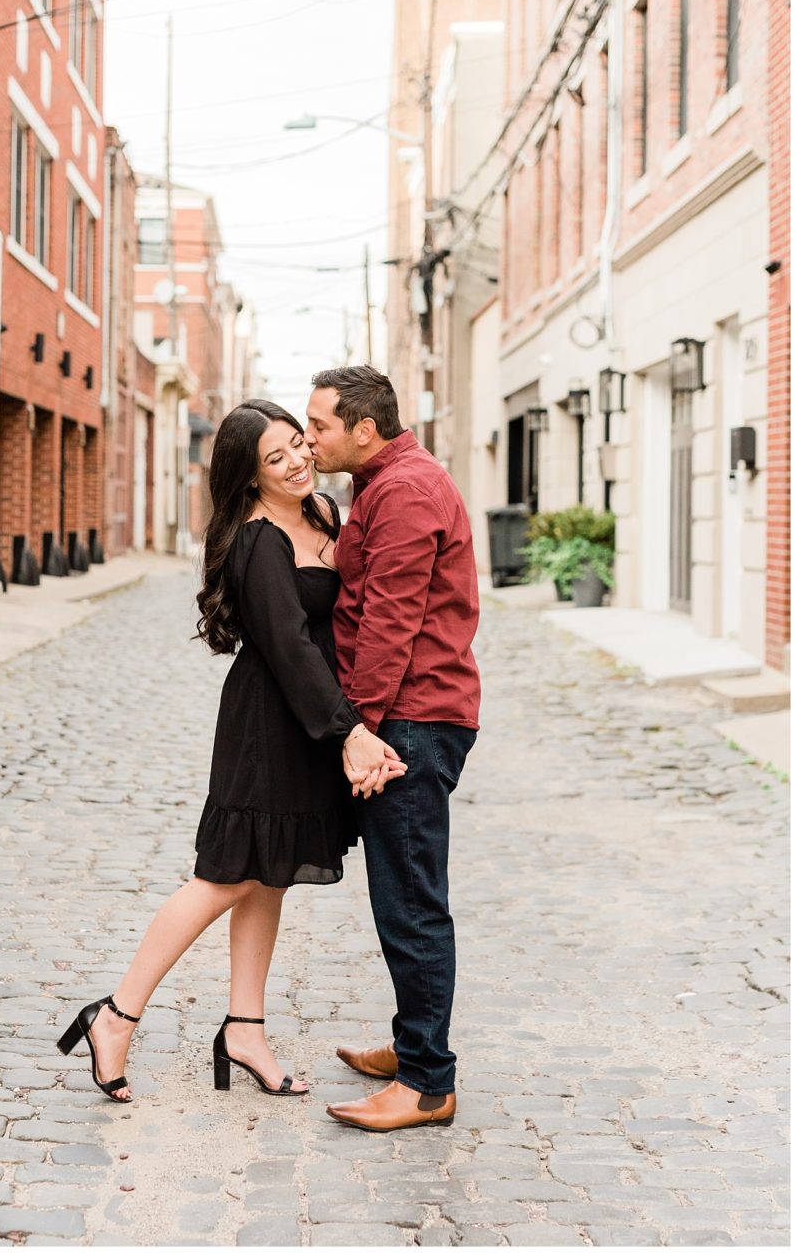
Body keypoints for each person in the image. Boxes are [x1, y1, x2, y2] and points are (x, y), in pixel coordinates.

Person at [55, 399, 405, 1103]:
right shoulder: (256, 540)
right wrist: (350, 732)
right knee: (225, 877)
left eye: (299, 446)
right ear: (250, 479)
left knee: (268, 875)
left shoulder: (323, 514)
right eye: (275, 459)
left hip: (306, 723)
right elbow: (290, 650)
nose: (297, 462)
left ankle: (244, 1029)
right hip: (268, 722)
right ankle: (116, 1017)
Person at [304, 366, 481, 1133]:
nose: (309, 439)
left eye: (319, 426)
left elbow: (391, 621)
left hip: (407, 721)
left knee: (410, 903)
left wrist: (358, 731)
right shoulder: (381, 484)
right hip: (403, 717)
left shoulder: (405, 490)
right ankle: (415, 1046)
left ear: (363, 429)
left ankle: (426, 1083)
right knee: (400, 896)